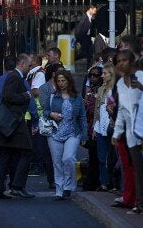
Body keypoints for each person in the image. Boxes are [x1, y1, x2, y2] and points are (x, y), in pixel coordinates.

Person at [0, 54, 36, 199]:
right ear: (21, 63)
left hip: (6, 124)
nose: (30, 68)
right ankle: (17, 186)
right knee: (27, 151)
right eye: (29, 65)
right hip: (13, 122)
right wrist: (26, 96)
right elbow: (9, 96)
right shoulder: (15, 77)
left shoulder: (14, 76)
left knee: (5, 155)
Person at [112, 49, 143, 214]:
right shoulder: (120, 83)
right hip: (130, 133)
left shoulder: (142, 76)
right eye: (118, 61)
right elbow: (121, 110)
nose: (121, 64)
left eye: (124, 60)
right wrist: (117, 132)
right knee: (138, 168)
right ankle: (142, 203)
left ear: (132, 61)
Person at [44, 69, 88, 200]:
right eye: (59, 81)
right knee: (57, 162)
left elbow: (82, 117)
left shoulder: (77, 97)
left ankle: (68, 186)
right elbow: (45, 111)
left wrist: (84, 134)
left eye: (63, 80)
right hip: (55, 132)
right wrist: (51, 114)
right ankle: (59, 189)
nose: (61, 83)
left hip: (73, 132)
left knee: (68, 158)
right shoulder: (53, 96)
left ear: (69, 81)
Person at [38, 63, 65, 189]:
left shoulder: (65, 86)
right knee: (50, 153)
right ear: (54, 74)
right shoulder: (45, 88)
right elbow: (44, 106)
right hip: (51, 123)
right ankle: (52, 180)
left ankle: (63, 179)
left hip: (65, 123)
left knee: (64, 153)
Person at [93, 63, 117, 192]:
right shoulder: (101, 90)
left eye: (105, 73)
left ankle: (114, 183)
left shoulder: (117, 89)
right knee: (102, 156)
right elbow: (97, 109)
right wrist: (94, 127)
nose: (102, 76)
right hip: (101, 125)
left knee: (113, 156)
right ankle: (104, 183)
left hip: (112, 125)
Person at [83, 66, 103, 191]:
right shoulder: (90, 91)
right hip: (90, 126)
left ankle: (97, 181)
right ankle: (92, 181)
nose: (92, 78)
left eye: (95, 75)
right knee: (92, 156)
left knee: (98, 156)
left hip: (98, 126)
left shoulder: (101, 91)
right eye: (91, 75)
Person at [75, 4, 98, 68]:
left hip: (87, 38)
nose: (95, 12)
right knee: (87, 53)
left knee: (89, 54)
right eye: (94, 10)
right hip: (84, 39)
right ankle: (74, 59)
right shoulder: (84, 17)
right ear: (90, 9)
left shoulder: (89, 17)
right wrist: (78, 39)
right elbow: (78, 29)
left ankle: (89, 68)